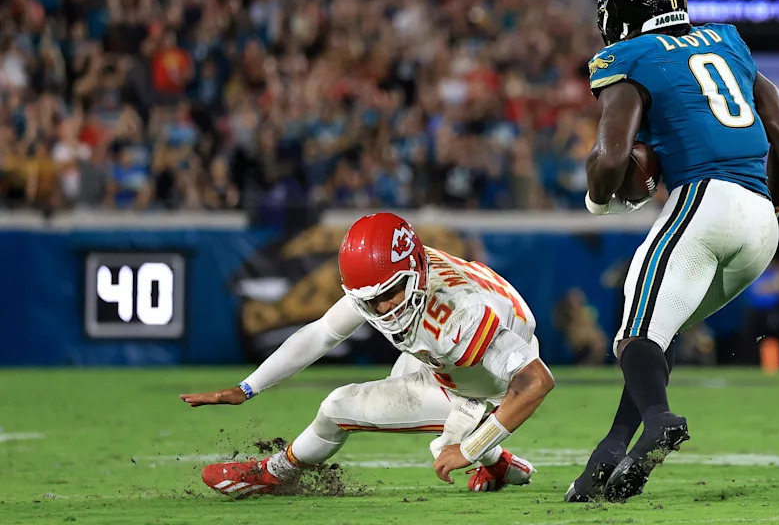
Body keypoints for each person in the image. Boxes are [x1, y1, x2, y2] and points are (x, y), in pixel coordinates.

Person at [567, 0, 779, 503]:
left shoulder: (626, 57)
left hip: (702, 201)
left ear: (620, 15)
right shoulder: (726, 41)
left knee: (634, 335)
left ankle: (657, 419)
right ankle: (609, 455)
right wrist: (771, 206)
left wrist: (598, 201)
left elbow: (610, 158)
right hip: (759, 222)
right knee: (659, 333)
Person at [181, 212, 553, 496]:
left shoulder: (459, 316)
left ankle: (273, 473)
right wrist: (247, 387)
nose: (383, 308)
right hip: (458, 362)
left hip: (489, 380)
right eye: (370, 301)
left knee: (338, 407)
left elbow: (535, 382)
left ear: (415, 271)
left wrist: (470, 447)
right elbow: (322, 333)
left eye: (390, 293)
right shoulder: (387, 278)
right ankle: (499, 464)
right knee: (402, 392)